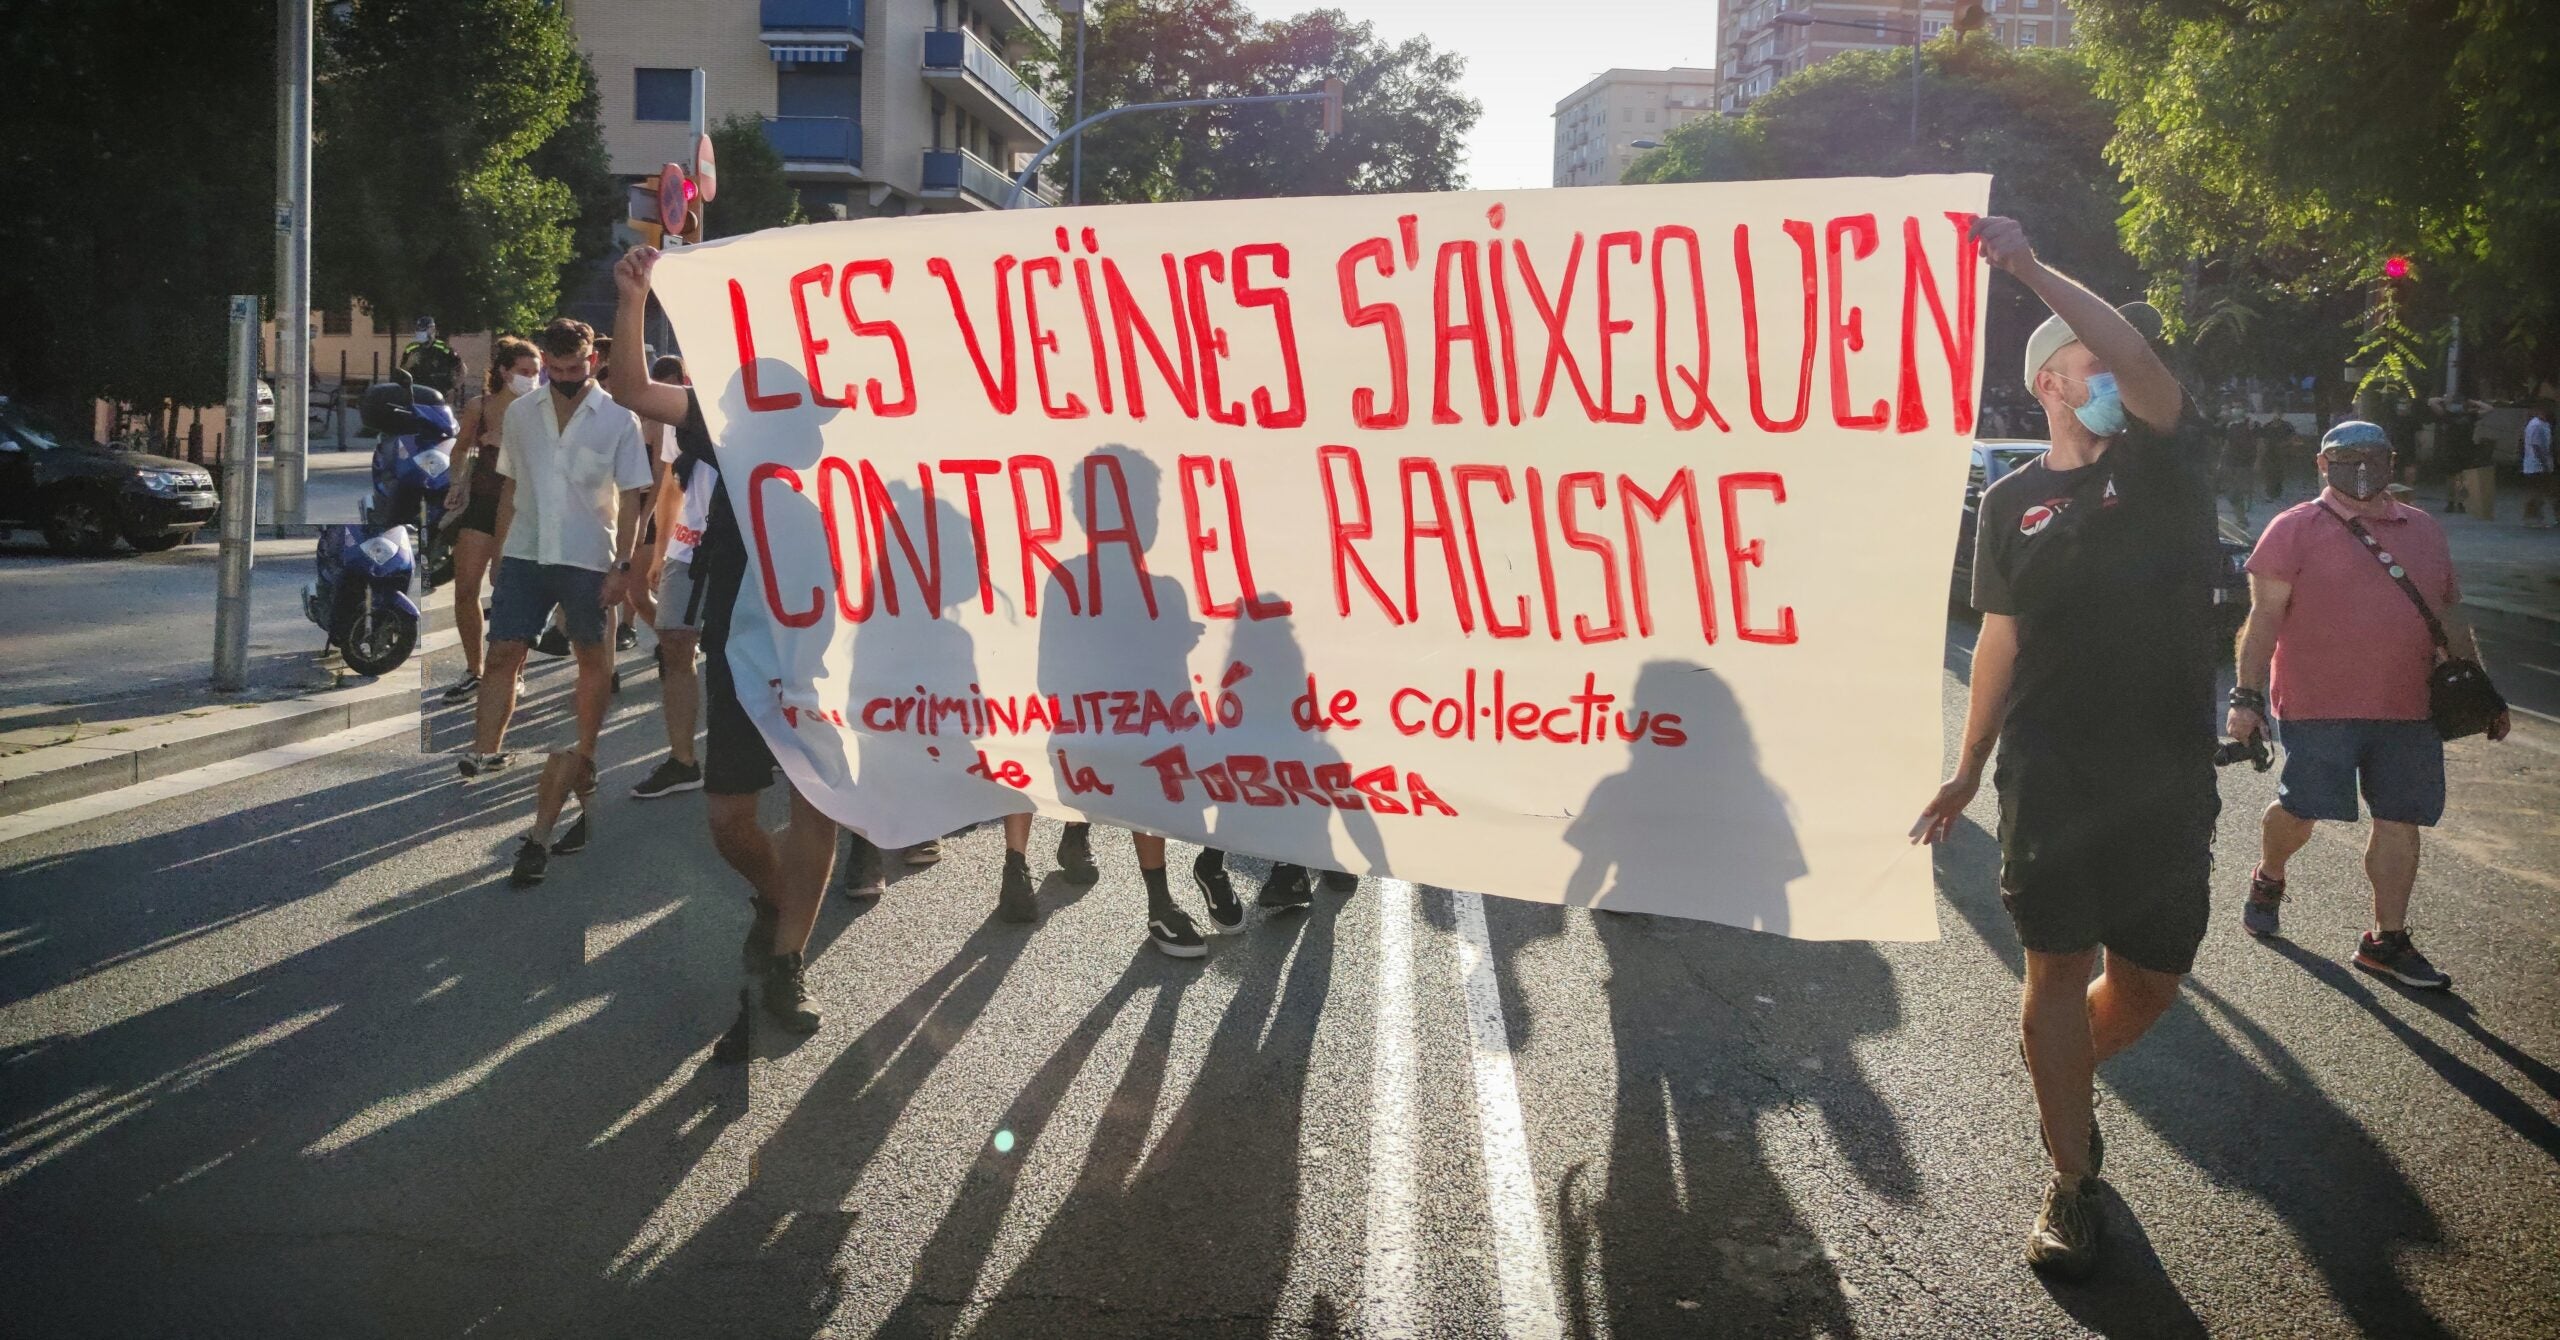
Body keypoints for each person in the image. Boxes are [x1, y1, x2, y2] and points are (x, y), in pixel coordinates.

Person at [1912, 216, 2220, 1281]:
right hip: (2048, 772)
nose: (2118, 376)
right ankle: (2071, 1173)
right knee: (2055, 970)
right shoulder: (2008, 500)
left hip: (2167, 774)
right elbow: (2000, 635)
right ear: (2047, 379)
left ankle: (2060, 1083)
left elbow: (2137, 360)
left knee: (2149, 985)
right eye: (2088, 365)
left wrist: (2032, 263)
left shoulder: (2167, 465)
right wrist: (1963, 764)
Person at [609, 245, 832, 1033]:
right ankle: (776, 902)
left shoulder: (857, 434)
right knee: (730, 819)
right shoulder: (724, 428)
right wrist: (635, 298)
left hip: (827, 650)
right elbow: (633, 388)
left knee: (816, 808)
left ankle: (789, 961)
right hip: (741, 643)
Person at [2232, 422, 2511, 987]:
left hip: (2409, 708)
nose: (2360, 466)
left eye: (2372, 456)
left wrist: (2484, 691)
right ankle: (2270, 873)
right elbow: (2262, 621)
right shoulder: (2293, 529)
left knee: (2399, 819)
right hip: (2317, 706)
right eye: (2344, 456)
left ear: (2393, 462)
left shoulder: (2426, 530)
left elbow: (2450, 617)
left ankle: (2387, 939)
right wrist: (2247, 697)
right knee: (2301, 810)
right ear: (2321, 463)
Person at [461, 318, 655, 885]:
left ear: (593, 359)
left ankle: (584, 757)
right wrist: (500, 552)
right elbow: (512, 487)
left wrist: (624, 566)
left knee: (592, 659)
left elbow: (633, 498)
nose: (568, 377)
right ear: (545, 360)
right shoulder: (521, 415)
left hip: (589, 555)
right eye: (558, 368)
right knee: (504, 652)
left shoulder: (619, 419)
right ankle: (484, 751)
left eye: (577, 368)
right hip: (525, 549)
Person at [434, 336, 540, 706]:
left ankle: (515, 671)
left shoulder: (543, 411)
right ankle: (474, 669)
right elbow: (461, 449)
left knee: (509, 587)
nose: (531, 378)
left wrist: (508, 441)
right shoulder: (481, 406)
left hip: (524, 507)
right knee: (466, 587)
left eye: (536, 372)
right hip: (482, 500)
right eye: (524, 371)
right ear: (504, 372)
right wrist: (457, 483)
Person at [628, 353, 706, 800]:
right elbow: (672, 485)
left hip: (745, 546)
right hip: (686, 545)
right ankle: (683, 760)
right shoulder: (684, 411)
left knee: (749, 651)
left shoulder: (761, 406)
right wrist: (660, 551)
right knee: (674, 642)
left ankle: (766, 749)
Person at [2431, 391, 2491, 517]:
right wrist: (2474, 402)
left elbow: (2432, 402)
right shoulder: (2468, 415)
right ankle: (2457, 502)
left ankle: (2454, 502)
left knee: (2455, 478)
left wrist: (2444, 399)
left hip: (2456, 449)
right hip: (2461, 449)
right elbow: (2489, 408)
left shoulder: (2451, 415)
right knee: (2458, 478)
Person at [400, 317, 464, 400]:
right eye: (418, 330)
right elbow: (401, 372)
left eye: (423, 330)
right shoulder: (411, 349)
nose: (419, 333)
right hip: (418, 395)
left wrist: (455, 389)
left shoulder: (444, 349)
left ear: (432, 330)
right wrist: (409, 364)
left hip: (440, 395)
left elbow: (462, 370)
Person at [2520, 401, 2553, 528]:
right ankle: (2537, 518)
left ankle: (2531, 517)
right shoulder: (2536, 425)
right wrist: (2544, 463)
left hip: (2535, 464)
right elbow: (2536, 445)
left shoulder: (2540, 424)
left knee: (2535, 491)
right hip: (2536, 464)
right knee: (2537, 492)